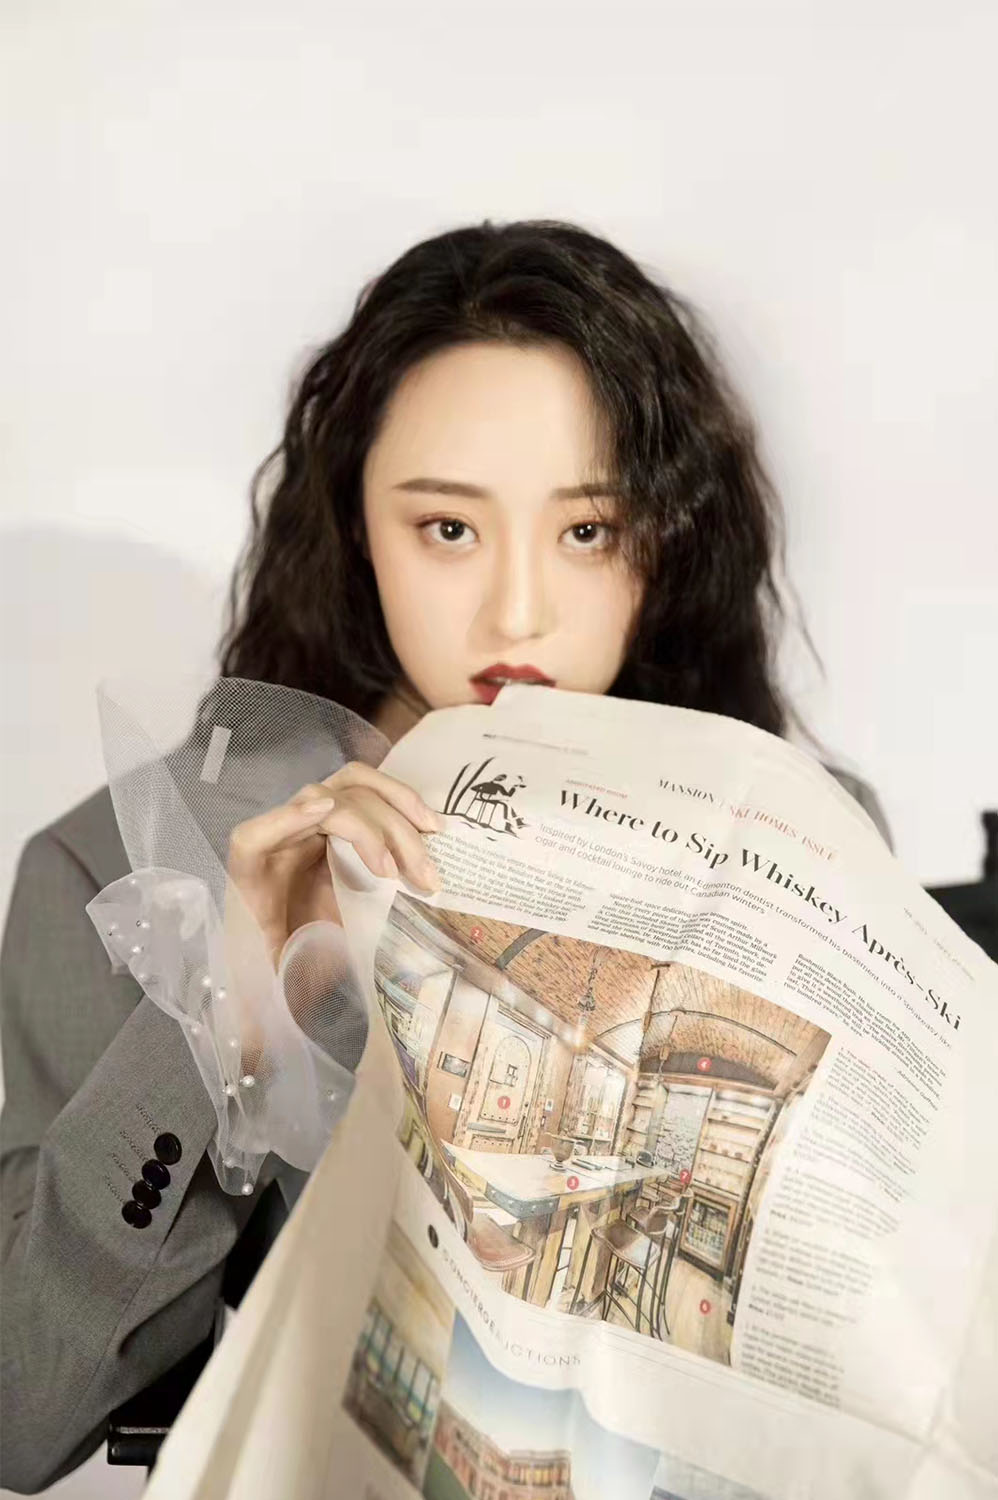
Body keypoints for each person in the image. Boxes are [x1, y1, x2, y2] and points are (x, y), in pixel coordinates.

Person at [0, 219, 888, 1493]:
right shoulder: (125, 865)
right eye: (449, 530)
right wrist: (226, 1008)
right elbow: (21, 1410)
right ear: (358, 525)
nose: (517, 610)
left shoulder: (803, 833)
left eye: (588, 531)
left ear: (672, 537)